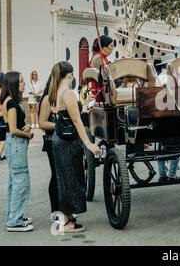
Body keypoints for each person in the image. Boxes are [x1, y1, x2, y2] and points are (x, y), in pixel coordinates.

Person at [49, 62, 101, 234]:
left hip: (58, 139)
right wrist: (88, 143)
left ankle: (68, 217)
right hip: (68, 142)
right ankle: (67, 223)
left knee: (64, 180)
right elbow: (77, 121)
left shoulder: (54, 92)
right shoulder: (68, 93)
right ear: (70, 75)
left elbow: (64, 116)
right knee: (72, 180)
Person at [0, 71, 34, 232]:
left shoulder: (10, 101)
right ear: (13, 83)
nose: (24, 83)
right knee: (21, 182)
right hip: (16, 144)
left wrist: (25, 127)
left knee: (15, 182)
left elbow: (13, 127)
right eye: (20, 81)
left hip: (14, 144)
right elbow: (13, 129)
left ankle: (14, 216)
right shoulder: (11, 103)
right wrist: (28, 133)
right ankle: (14, 221)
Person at [154, 54, 180, 182]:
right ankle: (172, 174)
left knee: (161, 146)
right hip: (175, 114)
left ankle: (163, 174)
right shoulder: (174, 78)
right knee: (177, 145)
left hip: (161, 115)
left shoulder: (159, 77)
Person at [38, 75, 60, 214]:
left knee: (63, 176)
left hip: (63, 141)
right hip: (52, 141)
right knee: (56, 175)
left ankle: (64, 208)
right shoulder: (47, 99)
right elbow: (42, 123)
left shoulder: (63, 96)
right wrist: (59, 125)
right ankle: (55, 210)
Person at [89, 35, 114, 101]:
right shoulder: (98, 58)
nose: (113, 48)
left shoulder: (103, 57)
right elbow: (104, 77)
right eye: (111, 46)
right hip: (100, 93)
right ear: (105, 47)